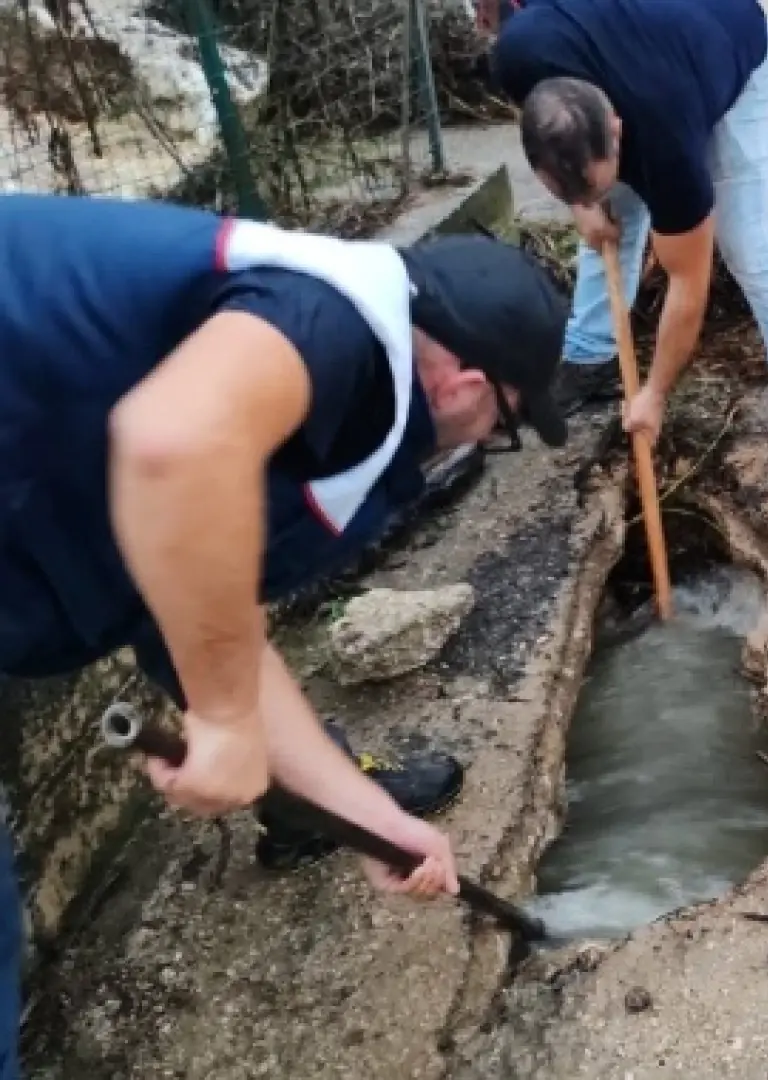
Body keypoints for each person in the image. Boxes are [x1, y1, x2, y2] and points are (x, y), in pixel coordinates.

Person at [0, 192, 572, 1077]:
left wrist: (361, 809)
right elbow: (169, 442)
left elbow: (195, 605)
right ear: (467, 385)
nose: (487, 441)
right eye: (503, 424)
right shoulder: (331, 323)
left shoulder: (338, 375)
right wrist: (225, 721)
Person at [485, 0, 768, 492]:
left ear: (616, 131)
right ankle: (590, 355)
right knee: (613, 216)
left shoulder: (665, 140)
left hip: (730, 33)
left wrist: (653, 395)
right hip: (645, 46)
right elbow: (542, 131)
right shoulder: (517, 55)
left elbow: (687, 281)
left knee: (747, 244)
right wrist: (583, 205)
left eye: (600, 177)